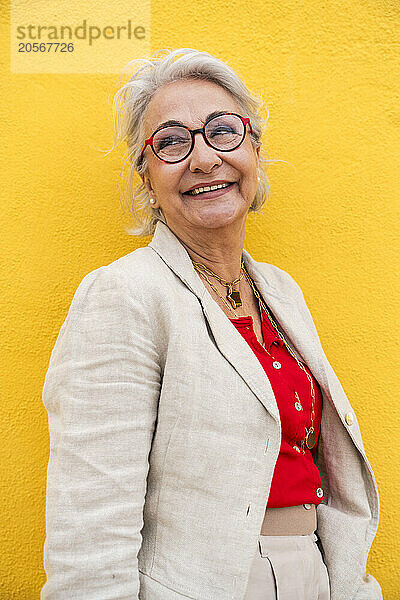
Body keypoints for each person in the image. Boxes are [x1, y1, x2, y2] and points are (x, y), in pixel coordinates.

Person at [40, 48, 382, 600]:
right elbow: (90, 521)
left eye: (223, 130)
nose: (203, 159)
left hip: (315, 574)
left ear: (253, 151)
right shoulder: (124, 295)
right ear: (146, 177)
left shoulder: (281, 293)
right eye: (172, 142)